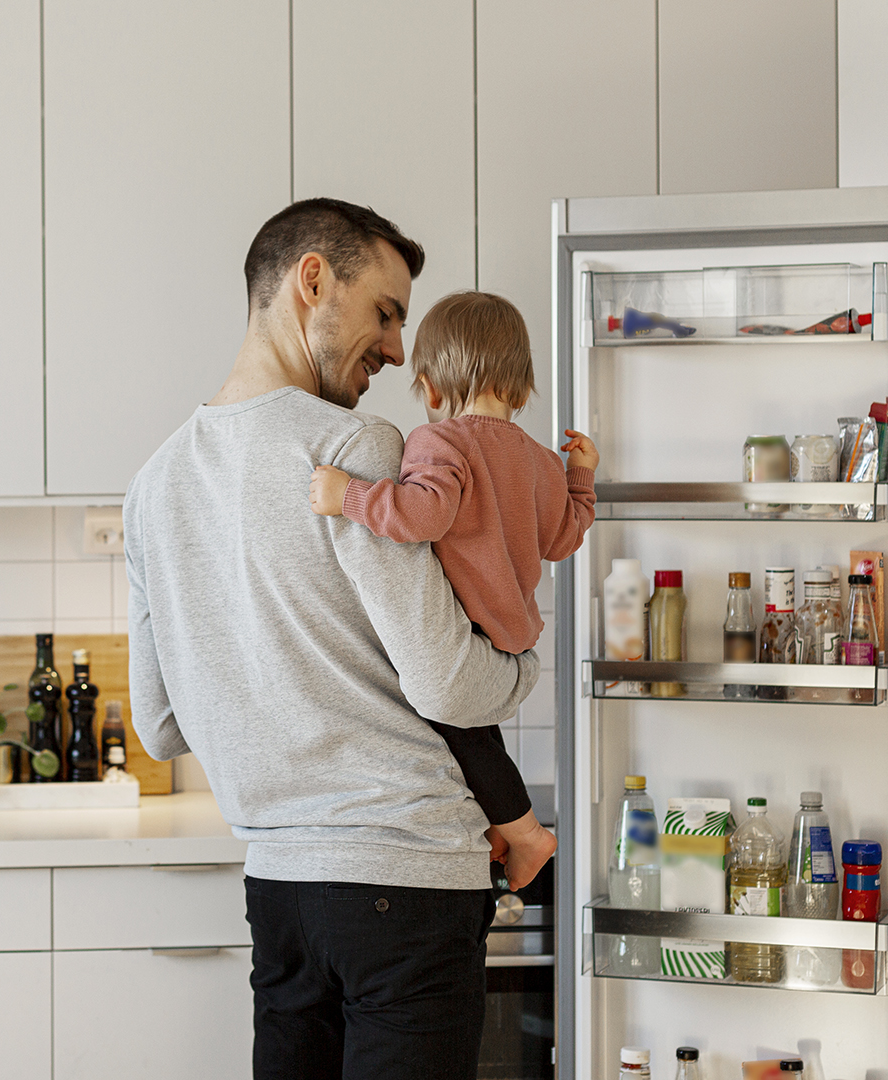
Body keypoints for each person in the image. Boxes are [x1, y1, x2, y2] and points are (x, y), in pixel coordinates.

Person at [124, 198, 539, 1080]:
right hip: (409, 886)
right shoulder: (354, 445)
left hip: (279, 891)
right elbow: (448, 686)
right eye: (386, 313)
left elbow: (157, 727)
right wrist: (523, 662)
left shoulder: (153, 486)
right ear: (313, 280)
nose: (396, 349)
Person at [307, 290, 598, 893]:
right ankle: (506, 824)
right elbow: (566, 536)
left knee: (434, 710)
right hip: (512, 651)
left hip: (467, 644)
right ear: (521, 385)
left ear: (433, 387)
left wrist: (348, 497)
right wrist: (581, 476)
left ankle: (526, 832)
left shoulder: (441, 443)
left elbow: (422, 517)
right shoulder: (543, 462)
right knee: (465, 730)